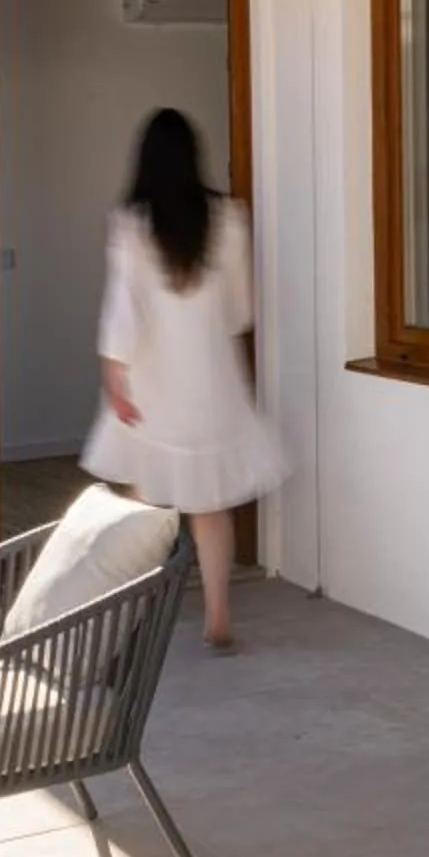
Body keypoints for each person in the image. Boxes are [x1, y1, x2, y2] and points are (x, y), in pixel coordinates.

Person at [81, 108, 285, 650]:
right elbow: (241, 311)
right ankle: (218, 616)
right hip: (212, 381)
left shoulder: (132, 221)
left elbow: (124, 311)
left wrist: (114, 377)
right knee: (210, 507)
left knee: (140, 510)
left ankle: (130, 619)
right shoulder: (230, 219)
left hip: (152, 383)